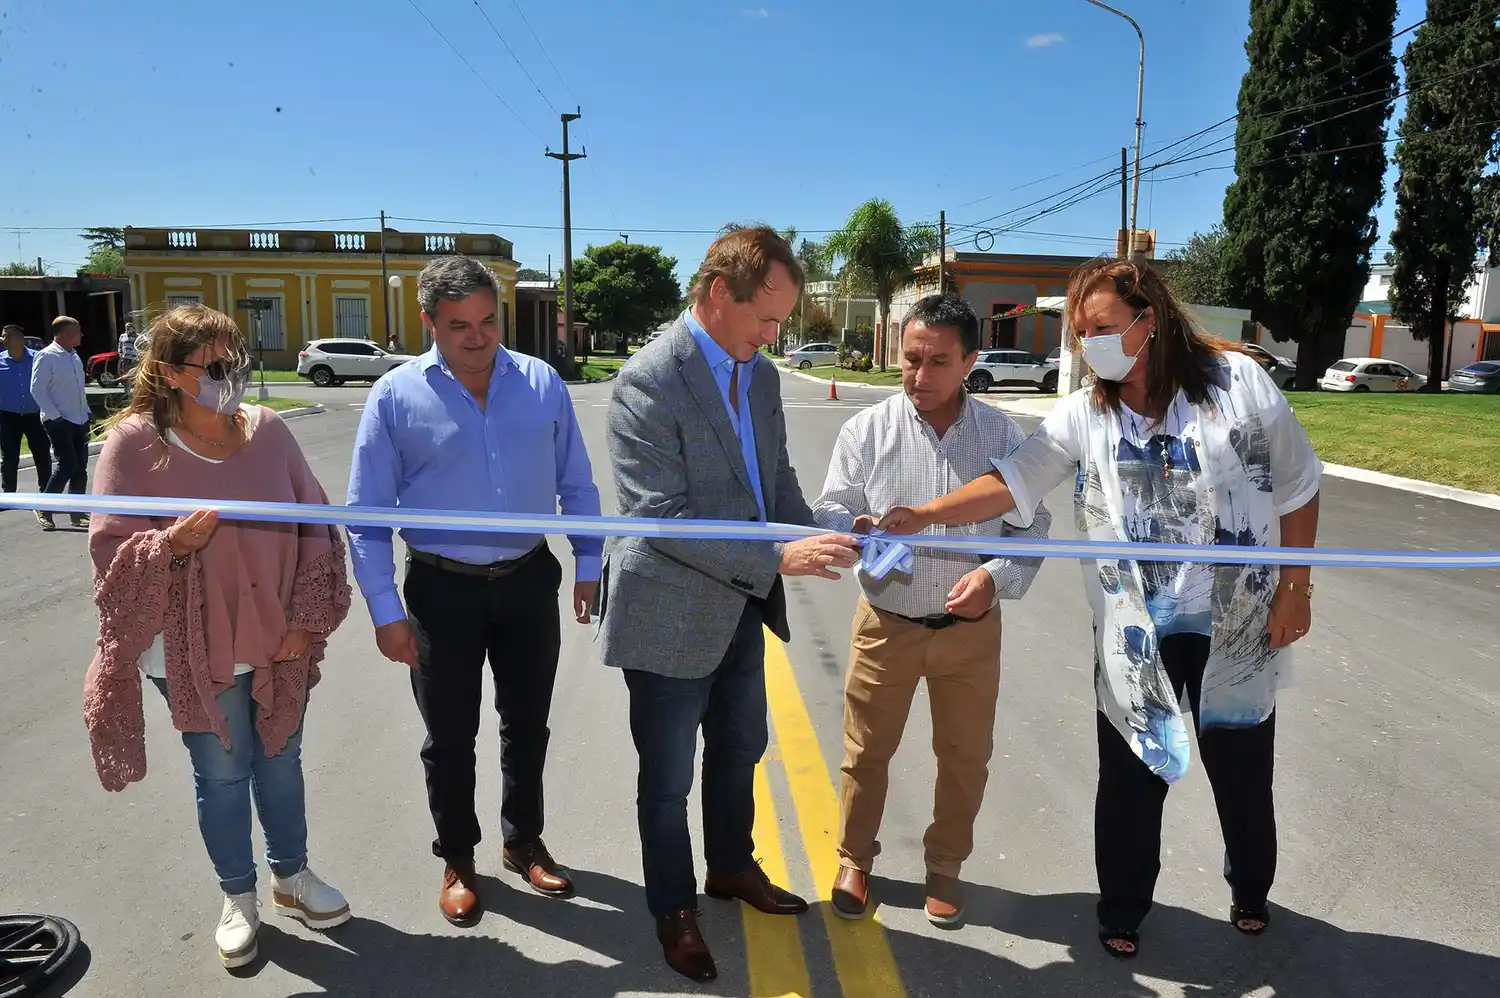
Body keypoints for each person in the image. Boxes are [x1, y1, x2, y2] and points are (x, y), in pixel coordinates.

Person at [878, 257, 1322, 959]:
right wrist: (924, 514)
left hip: (1235, 618)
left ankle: (1249, 888)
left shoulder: (1240, 386)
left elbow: (1298, 486)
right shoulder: (1088, 413)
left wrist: (1296, 587)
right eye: (1081, 332)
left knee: (1240, 764)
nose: (1091, 345)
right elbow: (1014, 481)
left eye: (1103, 328)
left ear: (1152, 320)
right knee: (1129, 774)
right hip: (1135, 625)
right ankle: (1122, 906)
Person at [598, 226, 862, 983]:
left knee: (741, 750)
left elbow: (771, 480)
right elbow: (659, 516)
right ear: (720, 296)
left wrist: (831, 535)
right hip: (670, 613)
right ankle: (673, 910)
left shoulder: (764, 375)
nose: (776, 334)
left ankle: (731, 866)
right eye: (768, 318)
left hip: (743, 605)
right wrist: (778, 556)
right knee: (668, 777)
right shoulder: (650, 380)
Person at [84, 303, 354, 970]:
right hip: (187, 648)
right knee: (224, 773)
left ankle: (291, 877)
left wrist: (303, 621)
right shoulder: (134, 445)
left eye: (237, 359)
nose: (230, 375)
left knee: (282, 758)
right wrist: (171, 545)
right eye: (214, 364)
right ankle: (238, 897)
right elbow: (111, 559)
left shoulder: (270, 432)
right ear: (172, 374)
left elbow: (317, 525)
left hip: (274, 633)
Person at [346, 255, 602, 926]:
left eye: (489, 321)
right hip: (439, 591)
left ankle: (523, 840)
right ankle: (458, 856)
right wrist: (384, 611)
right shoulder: (396, 396)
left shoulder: (541, 383)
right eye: (459, 325)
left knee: (527, 725)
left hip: (526, 580)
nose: (478, 338)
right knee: (449, 736)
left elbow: (576, 480)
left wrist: (588, 560)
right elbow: (366, 516)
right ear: (428, 321)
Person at [812, 293, 1052, 927]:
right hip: (886, 622)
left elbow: (1034, 530)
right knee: (866, 752)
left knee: (965, 755)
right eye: (909, 359)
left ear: (970, 361)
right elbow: (831, 505)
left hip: (968, 632)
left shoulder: (1002, 436)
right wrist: (853, 526)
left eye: (937, 361)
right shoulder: (866, 429)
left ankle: (944, 868)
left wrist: (996, 580)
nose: (919, 375)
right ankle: (854, 859)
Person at [29, 315, 92, 530]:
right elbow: (37, 389)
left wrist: (87, 411)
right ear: (65, 334)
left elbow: (78, 390)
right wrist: (55, 416)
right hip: (58, 421)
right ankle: (44, 508)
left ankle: (77, 512)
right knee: (67, 464)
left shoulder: (74, 356)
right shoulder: (46, 356)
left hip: (80, 418)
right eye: (78, 331)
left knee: (80, 467)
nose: (81, 335)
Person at [0, 324, 52, 508]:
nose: (3, 339)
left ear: (20, 339)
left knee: (42, 453)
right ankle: (8, 495)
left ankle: (47, 492)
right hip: (8, 416)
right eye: (3, 336)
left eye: (7, 336)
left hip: (35, 415)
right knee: (9, 456)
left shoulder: (39, 359)